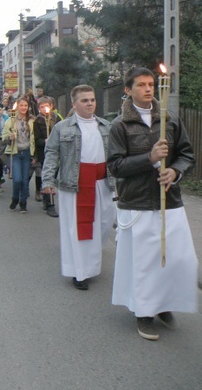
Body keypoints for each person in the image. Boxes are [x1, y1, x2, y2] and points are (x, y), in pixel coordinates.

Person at [108, 67, 197, 341]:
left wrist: (175, 171)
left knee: (177, 259)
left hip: (169, 202)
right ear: (128, 90)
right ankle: (144, 313)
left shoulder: (169, 119)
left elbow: (186, 154)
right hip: (137, 203)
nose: (148, 88)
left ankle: (165, 304)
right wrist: (149, 157)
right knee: (145, 263)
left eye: (151, 84)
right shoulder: (119, 125)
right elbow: (115, 166)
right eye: (142, 85)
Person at [41, 85, 116, 291]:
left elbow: (115, 156)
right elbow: (52, 154)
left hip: (101, 183)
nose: (90, 103)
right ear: (74, 104)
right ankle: (79, 272)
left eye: (92, 99)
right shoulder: (62, 128)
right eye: (84, 100)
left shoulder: (106, 126)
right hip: (74, 183)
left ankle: (91, 261)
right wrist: (47, 181)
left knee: (104, 222)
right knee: (78, 230)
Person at [2, 97, 35, 213]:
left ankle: (23, 202)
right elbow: (4, 138)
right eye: (21, 105)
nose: (23, 108)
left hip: (26, 153)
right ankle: (15, 198)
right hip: (15, 153)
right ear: (17, 107)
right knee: (17, 179)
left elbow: (34, 138)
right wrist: (9, 138)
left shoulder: (31, 121)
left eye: (25, 106)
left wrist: (34, 155)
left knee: (25, 180)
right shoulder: (10, 121)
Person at [32, 96, 60, 217]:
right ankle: (50, 204)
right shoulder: (37, 121)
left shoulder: (57, 119)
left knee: (53, 176)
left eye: (46, 106)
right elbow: (36, 140)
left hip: (56, 152)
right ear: (39, 108)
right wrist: (45, 141)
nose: (45, 109)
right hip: (44, 153)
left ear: (51, 107)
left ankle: (46, 197)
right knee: (47, 176)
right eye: (42, 107)